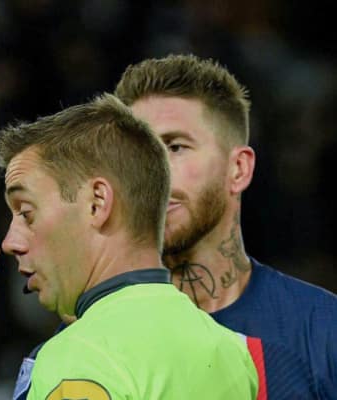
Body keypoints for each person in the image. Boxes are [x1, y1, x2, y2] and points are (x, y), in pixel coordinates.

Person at [0, 93, 258, 399]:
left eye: (26, 213)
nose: (9, 242)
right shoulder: (232, 352)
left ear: (97, 203)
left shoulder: (79, 355)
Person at [114, 54, 337, 398]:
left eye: (175, 147)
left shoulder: (323, 330)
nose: (150, 173)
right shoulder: (91, 344)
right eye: (136, 154)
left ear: (239, 170)